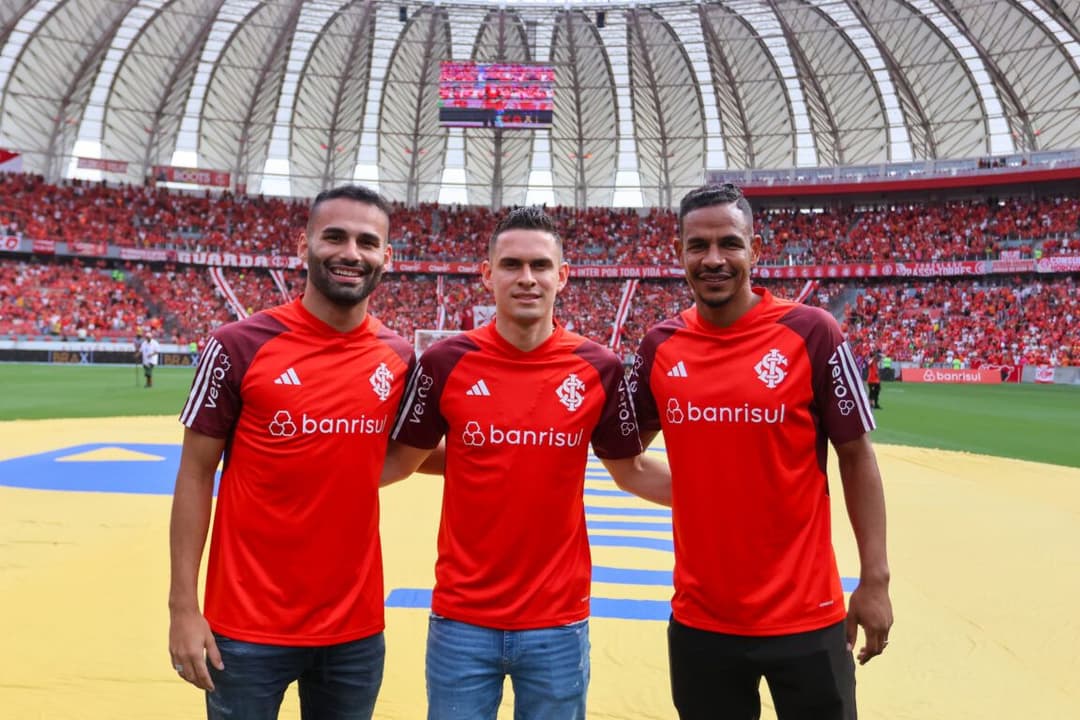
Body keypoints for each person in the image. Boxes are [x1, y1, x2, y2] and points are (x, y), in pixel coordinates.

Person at [381, 206, 670, 720]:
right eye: (512, 265)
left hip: (558, 622)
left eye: (540, 266)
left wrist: (732, 493)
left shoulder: (598, 368)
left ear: (562, 275)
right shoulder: (445, 362)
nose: (527, 278)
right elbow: (404, 459)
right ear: (487, 274)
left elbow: (632, 470)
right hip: (461, 619)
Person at [628, 183, 892, 720]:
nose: (714, 259)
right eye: (698, 246)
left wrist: (875, 581)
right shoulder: (660, 346)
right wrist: (703, 493)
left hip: (809, 617)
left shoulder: (811, 332)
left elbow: (856, 456)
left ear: (755, 249)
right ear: (679, 253)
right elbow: (621, 453)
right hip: (702, 621)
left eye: (729, 243)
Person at [168, 185, 414, 720]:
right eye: (335, 236)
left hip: (355, 630)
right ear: (303, 245)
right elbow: (193, 475)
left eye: (367, 242)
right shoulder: (238, 345)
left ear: (387, 257)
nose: (351, 252)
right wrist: (183, 609)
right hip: (244, 629)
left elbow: (402, 453)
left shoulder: (399, 358)